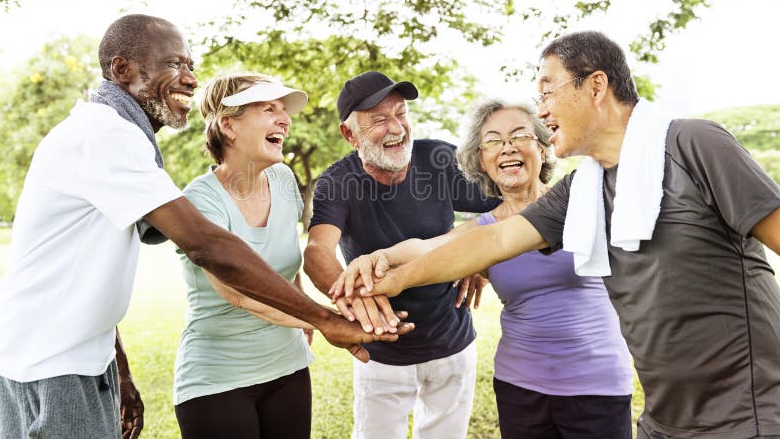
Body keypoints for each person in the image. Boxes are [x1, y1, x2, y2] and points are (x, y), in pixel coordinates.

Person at [0, 15, 410, 439]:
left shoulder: (124, 140)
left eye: (190, 66)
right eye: (173, 64)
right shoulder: (105, 134)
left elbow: (86, 271)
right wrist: (323, 319)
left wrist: (117, 369)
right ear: (122, 70)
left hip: (81, 360)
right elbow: (207, 246)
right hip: (43, 365)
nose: (189, 79)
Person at [345, 31, 780, 439]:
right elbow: (492, 240)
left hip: (750, 415)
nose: (543, 109)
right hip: (664, 420)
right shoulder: (585, 189)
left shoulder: (693, 144)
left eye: (547, 92)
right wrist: (390, 275)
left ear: (595, 85)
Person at [334, 98, 634, 438]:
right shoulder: (485, 228)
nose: (506, 148)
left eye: (519, 136)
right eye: (492, 141)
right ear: (481, 160)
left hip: (597, 386)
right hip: (520, 387)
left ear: (542, 144)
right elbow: (429, 247)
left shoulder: (582, 202)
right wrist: (377, 257)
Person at [304, 71, 498, 439]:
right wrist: (356, 300)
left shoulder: (439, 158)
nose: (396, 128)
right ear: (350, 135)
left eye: (401, 113)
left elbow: (510, 203)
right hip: (382, 353)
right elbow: (317, 251)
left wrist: (479, 260)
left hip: (452, 345)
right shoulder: (338, 181)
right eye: (378, 120)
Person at [172, 72, 318, 438]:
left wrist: (301, 310)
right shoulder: (200, 201)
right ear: (228, 125)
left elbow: (286, 263)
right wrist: (321, 319)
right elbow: (239, 292)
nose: (284, 119)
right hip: (218, 378)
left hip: (289, 366)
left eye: (284, 110)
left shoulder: (284, 180)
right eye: (269, 109)